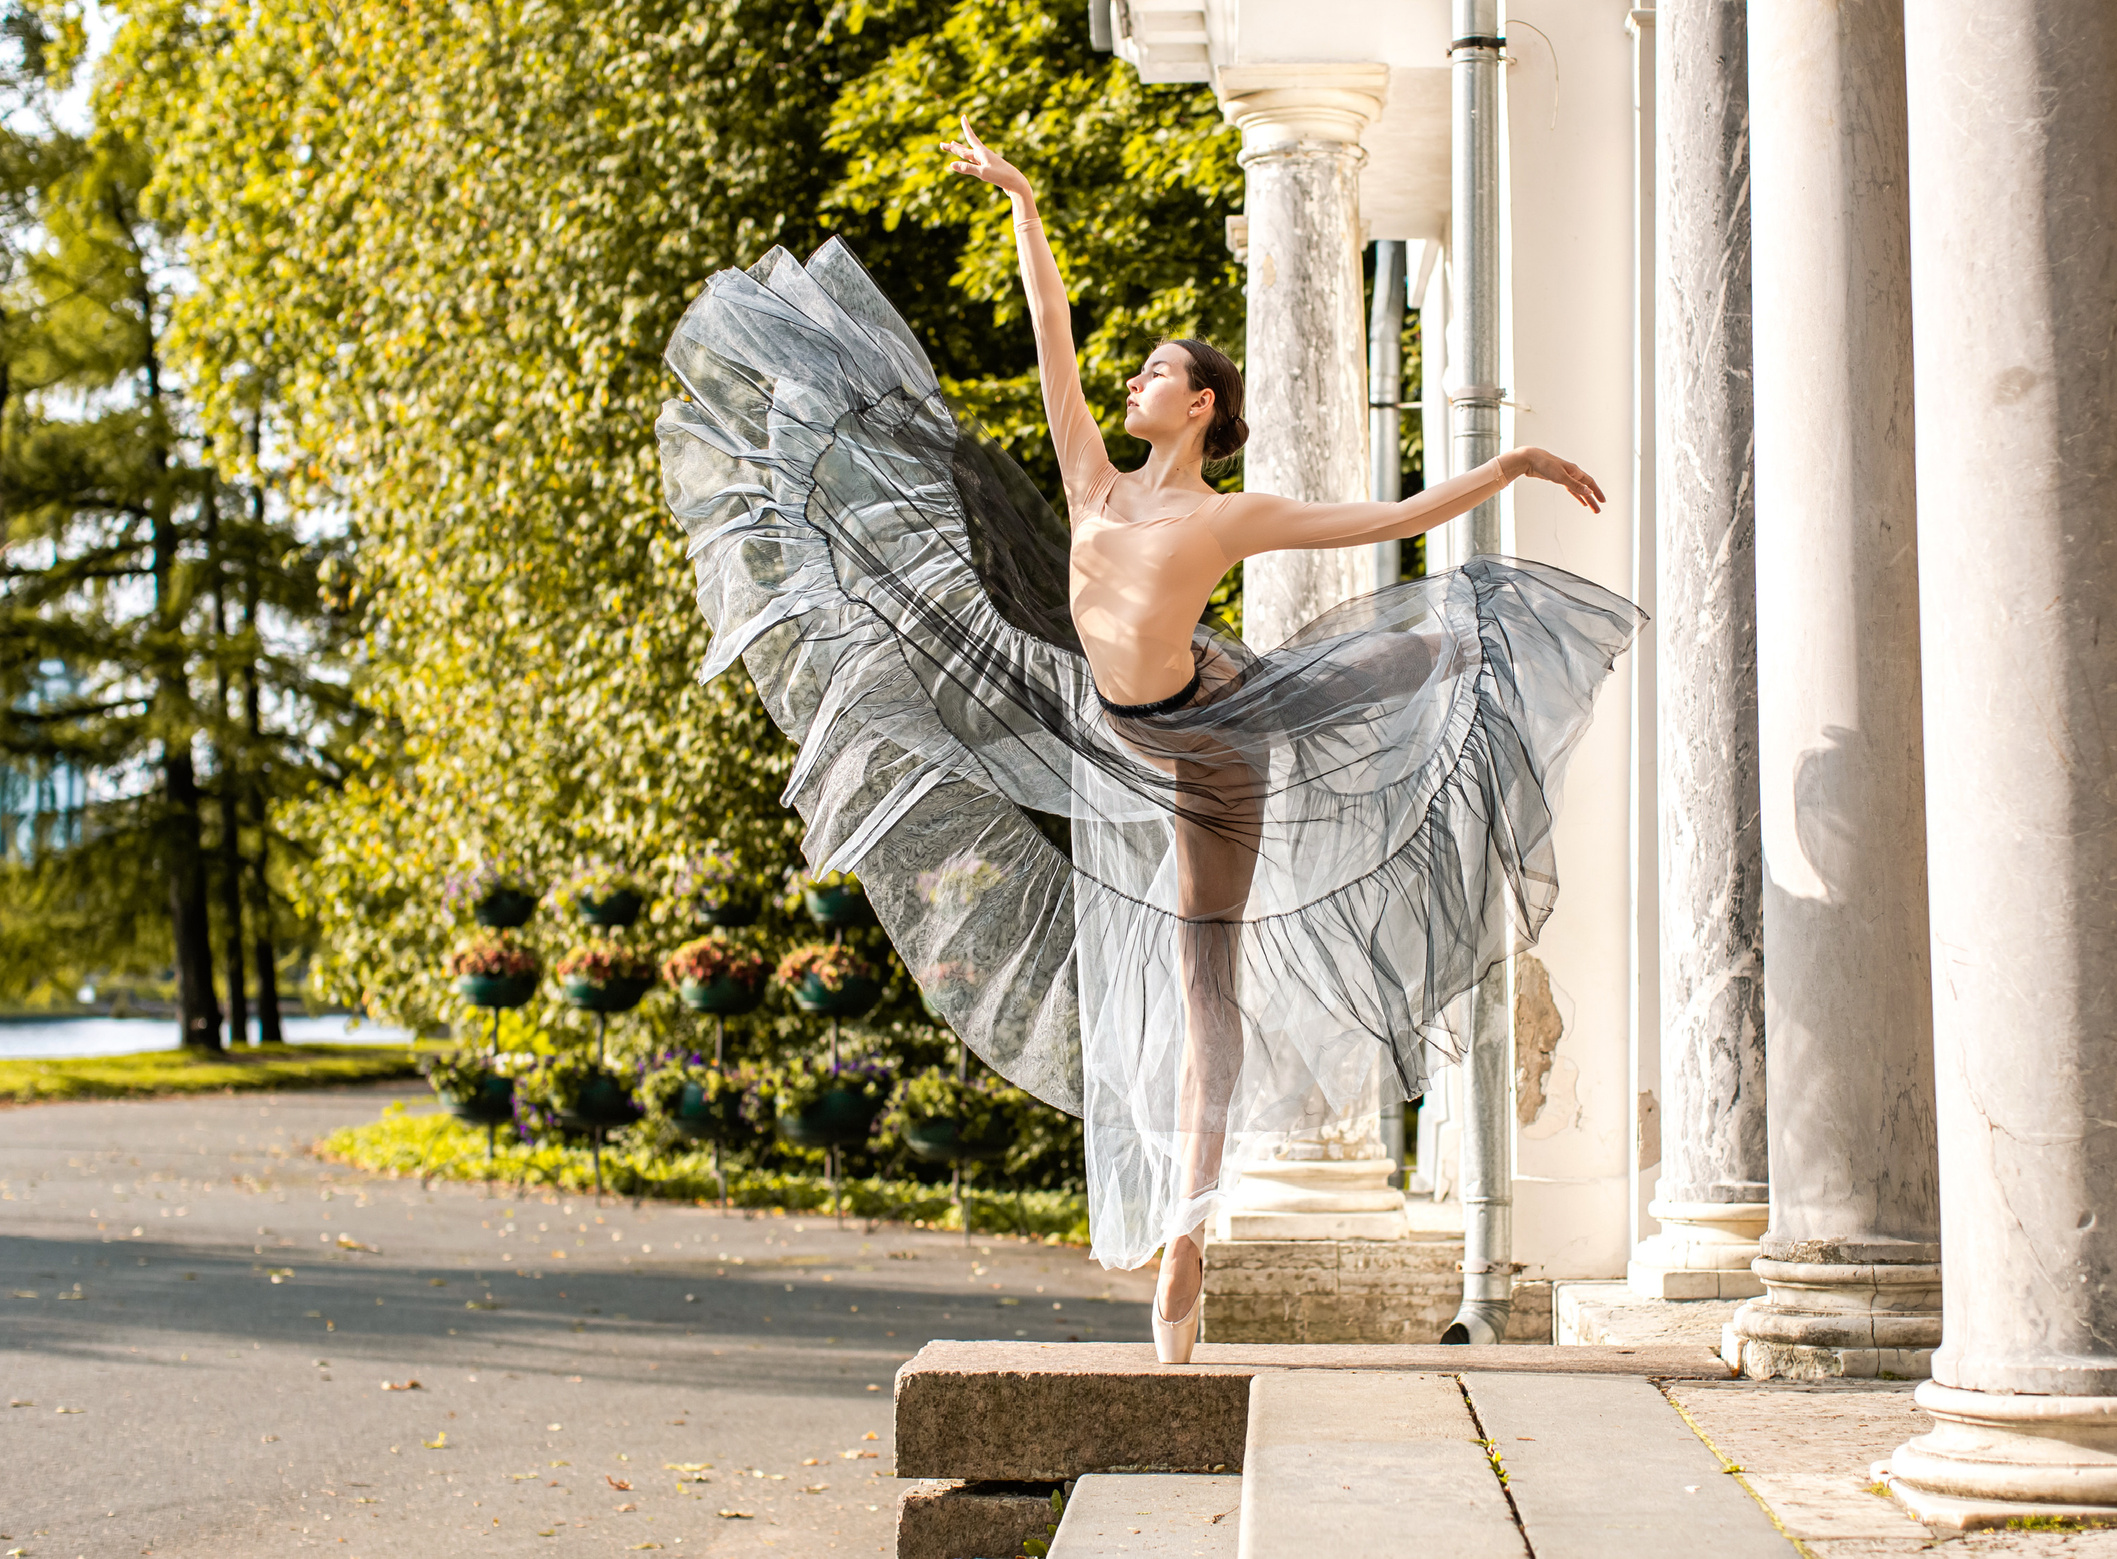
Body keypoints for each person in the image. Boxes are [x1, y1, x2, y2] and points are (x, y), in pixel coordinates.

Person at [655, 121, 1640, 1365]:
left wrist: (1508, 465)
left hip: (1211, 745)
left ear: (1203, 402)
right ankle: (1187, 1218)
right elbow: (1049, 337)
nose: (1134, 383)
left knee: (1212, 967)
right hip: (1131, 728)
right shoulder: (1089, 482)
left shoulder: (1231, 516)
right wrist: (1022, 199)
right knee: (1205, 925)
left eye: (1159, 372)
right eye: (1136, 373)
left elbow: (1387, 512)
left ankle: (1189, 1222)